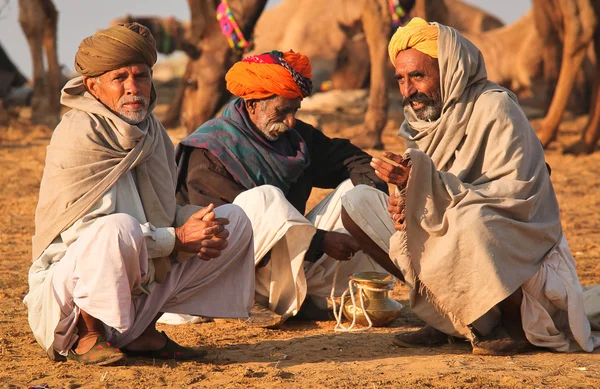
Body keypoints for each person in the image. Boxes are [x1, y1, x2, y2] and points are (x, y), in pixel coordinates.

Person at [363, 17, 600, 355]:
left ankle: (515, 324)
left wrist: (421, 183)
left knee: (471, 220)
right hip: (454, 216)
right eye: (400, 78)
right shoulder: (421, 120)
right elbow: (431, 191)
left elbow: (515, 195)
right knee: (355, 205)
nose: (407, 90)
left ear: (450, 68)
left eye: (418, 76)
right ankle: (447, 318)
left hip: (518, 230)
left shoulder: (495, 107)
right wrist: (405, 197)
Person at [23, 23, 256, 366]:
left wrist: (195, 223)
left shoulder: (151, 130)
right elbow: (86, 237)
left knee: (232, 220)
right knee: (116, 229)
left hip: (138, 266)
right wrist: (176, 237)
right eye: (119, 78)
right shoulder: (77, 132)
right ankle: (90, 336)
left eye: (141, 76)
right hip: (68, 299)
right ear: (93, 86)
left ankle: (142, 330)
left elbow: (161, 211)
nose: (133, 88)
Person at [172, 50, 397, 325]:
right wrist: (319, 241)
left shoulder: (295, 138)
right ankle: (249, 301)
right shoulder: (210, 150)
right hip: (224, 272)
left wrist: (369, 205)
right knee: (266, 199)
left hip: (287, 266)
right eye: (283, 111)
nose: (290, 121)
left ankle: (297, 295)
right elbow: (222, 230)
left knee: (357, 192)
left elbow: (352, 159)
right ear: (253, 103)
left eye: (295, 111)